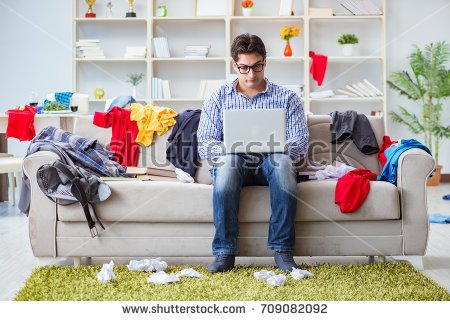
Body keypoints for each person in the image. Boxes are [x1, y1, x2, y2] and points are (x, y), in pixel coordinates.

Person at [197, 33, 309, 273]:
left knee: (282, 164)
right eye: (244, 67)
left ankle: (282, 249)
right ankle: (224, 252)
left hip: (272, 160)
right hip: (234, 162)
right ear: (234, 64)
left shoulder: (288, 98)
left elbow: (300, 142)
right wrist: (230, 149)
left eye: (257, 66)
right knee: (227, 165)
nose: (251, 74)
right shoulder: (218, 97)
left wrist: (276, 145)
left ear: (265, 61)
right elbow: (205, 143)